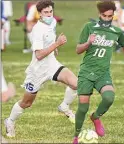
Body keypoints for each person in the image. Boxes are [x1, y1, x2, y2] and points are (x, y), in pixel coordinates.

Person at [4, 0, 77, 138]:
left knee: (76, 83)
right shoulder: (37, 30)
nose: (49, 15)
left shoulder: (53, 22)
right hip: (37, 70)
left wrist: (55, 49)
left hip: (52, 64)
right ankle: (10, 121)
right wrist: (57, 44)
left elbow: (50, 39)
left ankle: (65, 107)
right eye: (46, 13)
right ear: (39, 14)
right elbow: (38, 55)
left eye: (51, 11)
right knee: (26, 103)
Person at [73, 1, 124, 143]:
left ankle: (95, 117)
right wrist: (88, 43)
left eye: (110, 16)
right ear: (99, 14)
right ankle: (76, 136)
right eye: (104, 16)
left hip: (103, 73)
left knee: (109, 98)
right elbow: (78, 50)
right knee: (82, 108)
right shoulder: (89, 27)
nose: (107, 19)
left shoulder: (117, 32)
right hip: (86, 73)